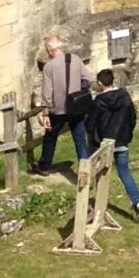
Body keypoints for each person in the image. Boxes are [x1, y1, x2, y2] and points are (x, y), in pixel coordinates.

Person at [91, 66, 139, 220]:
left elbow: (91, 124)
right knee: (124, 172)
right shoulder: (124, 96)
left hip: (105, 142)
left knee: (101, 174)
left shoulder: (98, 101)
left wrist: (94, 139)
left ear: (100, 83)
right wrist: (127, 133)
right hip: (122, 140)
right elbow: (132, 117)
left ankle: (99, 207)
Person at [35, 34, 94, 174]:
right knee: (80, 138)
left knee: (50, 137)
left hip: (58, 109)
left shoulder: (49, 67)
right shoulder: (75, 59)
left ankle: (44, 166)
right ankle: (84, 169)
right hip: (76, 106)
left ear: (49, 49)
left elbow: (47, 93)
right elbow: (88, 78)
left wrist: (45, 113)